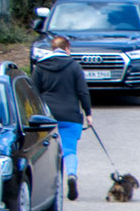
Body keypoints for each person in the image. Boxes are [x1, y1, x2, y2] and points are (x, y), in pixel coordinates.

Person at [30, 36, 93, 201]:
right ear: (67, 49)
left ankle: (52, 188)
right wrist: (88, 113)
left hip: (47, 118)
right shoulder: (73, 66)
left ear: (52, 49)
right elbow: (83, 92)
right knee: (69, 151)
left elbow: (33, 93)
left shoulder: (40, 67)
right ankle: (71, 175)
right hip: (70, 116)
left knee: (48, 153)